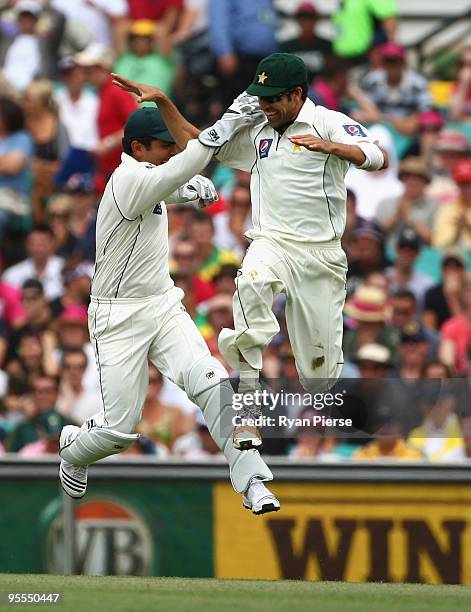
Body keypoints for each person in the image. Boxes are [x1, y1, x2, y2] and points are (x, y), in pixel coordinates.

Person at [112, 53, 388, 451]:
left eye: (273, 99)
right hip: (271, 242)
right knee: (252, 281)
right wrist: (165, 103)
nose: (264, 106)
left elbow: (378, 156)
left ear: (296, 94)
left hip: (320, 256)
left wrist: (331, 148)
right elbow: (200, 145)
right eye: (260, 98)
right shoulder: (261, 130)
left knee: (318, 377)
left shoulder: (328, 121)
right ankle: (248, 409)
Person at [59, 103, 279, 514]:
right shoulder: (126, 180)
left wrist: (193, 189)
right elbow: (171, 176)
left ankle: (251, 481)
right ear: (138, 148)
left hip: (161, 305)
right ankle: (74, 451)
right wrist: (224, 128)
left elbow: (170, 181)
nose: (173, 152)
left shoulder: (148, 175)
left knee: (213, 380)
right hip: (118, 317)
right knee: (119, 431)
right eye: (165, 147)